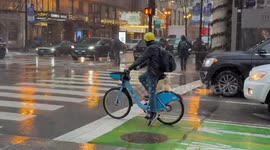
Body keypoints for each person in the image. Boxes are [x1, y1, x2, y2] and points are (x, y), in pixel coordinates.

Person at [127, 32, 165, 126]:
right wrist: (138, 67)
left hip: (154, 72)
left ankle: (153, 113)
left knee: (152, 93)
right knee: (141, 77)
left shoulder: (151, 48)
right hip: (155, 71)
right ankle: (150, 94)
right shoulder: (157, 46)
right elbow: (149, 60)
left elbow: (141, 59)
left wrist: (129, 68)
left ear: (146, 40)